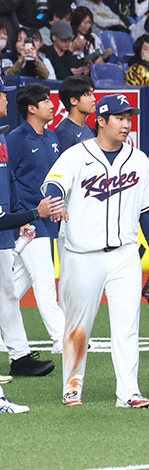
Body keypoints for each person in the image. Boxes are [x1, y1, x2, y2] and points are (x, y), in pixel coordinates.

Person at [42, 94, 149, 408]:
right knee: (78, 326)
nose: (126, 124)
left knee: (128, 325)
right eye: (120, 118)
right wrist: (55, 201)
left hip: (125, 254)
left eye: (129, 118)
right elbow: (54, 183)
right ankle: (72, 388)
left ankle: (129, 392)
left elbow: (148, 209)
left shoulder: (138, 160)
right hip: (83, 255)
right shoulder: (75, 155)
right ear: (102, 121)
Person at [8, 84, 64, 354]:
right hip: (28, 219)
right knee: (43, 279)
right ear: (31, 108)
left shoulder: (52, 137)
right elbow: (9, 179)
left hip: (46, 219)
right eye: (45, 101)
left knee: (20, 281)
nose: (51, 104)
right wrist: (20, 215)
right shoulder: (16, 139)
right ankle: (62, 337)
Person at [55, 75, 96, 152]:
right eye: (89, 95)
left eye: (93, 94)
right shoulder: (64, 133)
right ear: (73, 101)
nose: (94, 99)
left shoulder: (88, 128)